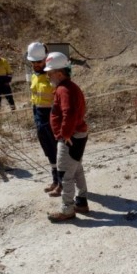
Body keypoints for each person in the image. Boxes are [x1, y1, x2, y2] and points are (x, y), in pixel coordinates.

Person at [45, 52, 89, 222]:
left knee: (65, 174)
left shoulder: (64, 90)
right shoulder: (70, 87)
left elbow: (68, 113)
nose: (48, 76)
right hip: (77, 134)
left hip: (70, 137)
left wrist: (65, 134)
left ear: (59, 73)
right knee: (76, 169)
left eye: (50, 73)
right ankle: (81, 202)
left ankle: (67, 209)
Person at [27, 42, 62, 196]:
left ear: (45, 59)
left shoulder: (52, 75)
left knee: (58, 151)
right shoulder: (34, 75)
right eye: (33, 62)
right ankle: (55, 180)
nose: (35, 65)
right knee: (48, 151)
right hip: (38, 116)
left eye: (38, 62)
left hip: (52, 116)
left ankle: (62, 183)